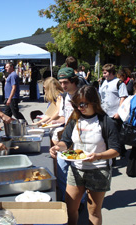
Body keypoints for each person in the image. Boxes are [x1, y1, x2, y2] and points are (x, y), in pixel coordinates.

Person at [49, 85, 120, 225]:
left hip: (98, 170)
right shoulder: (75, 119)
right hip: (76, 169)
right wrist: (58, 147)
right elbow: (66, 141)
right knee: (70, 208)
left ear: (93, 102)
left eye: (82, 104)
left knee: (93, 211)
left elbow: (116, 150)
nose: (79, 108)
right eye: (76, 104)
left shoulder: (106, 122)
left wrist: (98, 156)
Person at [50, 67, 79, 202]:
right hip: (65, 141)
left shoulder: (81, 96)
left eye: (66, 82)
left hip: (78, 143)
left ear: (73, 81)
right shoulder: (65, 96)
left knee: (78, 176)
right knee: (61, 173)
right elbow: (63, 118)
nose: (63, 86)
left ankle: (80, 203)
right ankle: (64, 201)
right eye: (61, 83)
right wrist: (50, 123)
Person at [99, 64, 128, 158]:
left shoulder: (119, 83)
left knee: (115, 135)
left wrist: (119, 112)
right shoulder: (104, 82)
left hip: (114, 114)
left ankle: (117, 153)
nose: (104, 75)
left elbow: (123, 98)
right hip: (104, 113)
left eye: (105, 73)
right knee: (106, 135)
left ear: (111, 72)